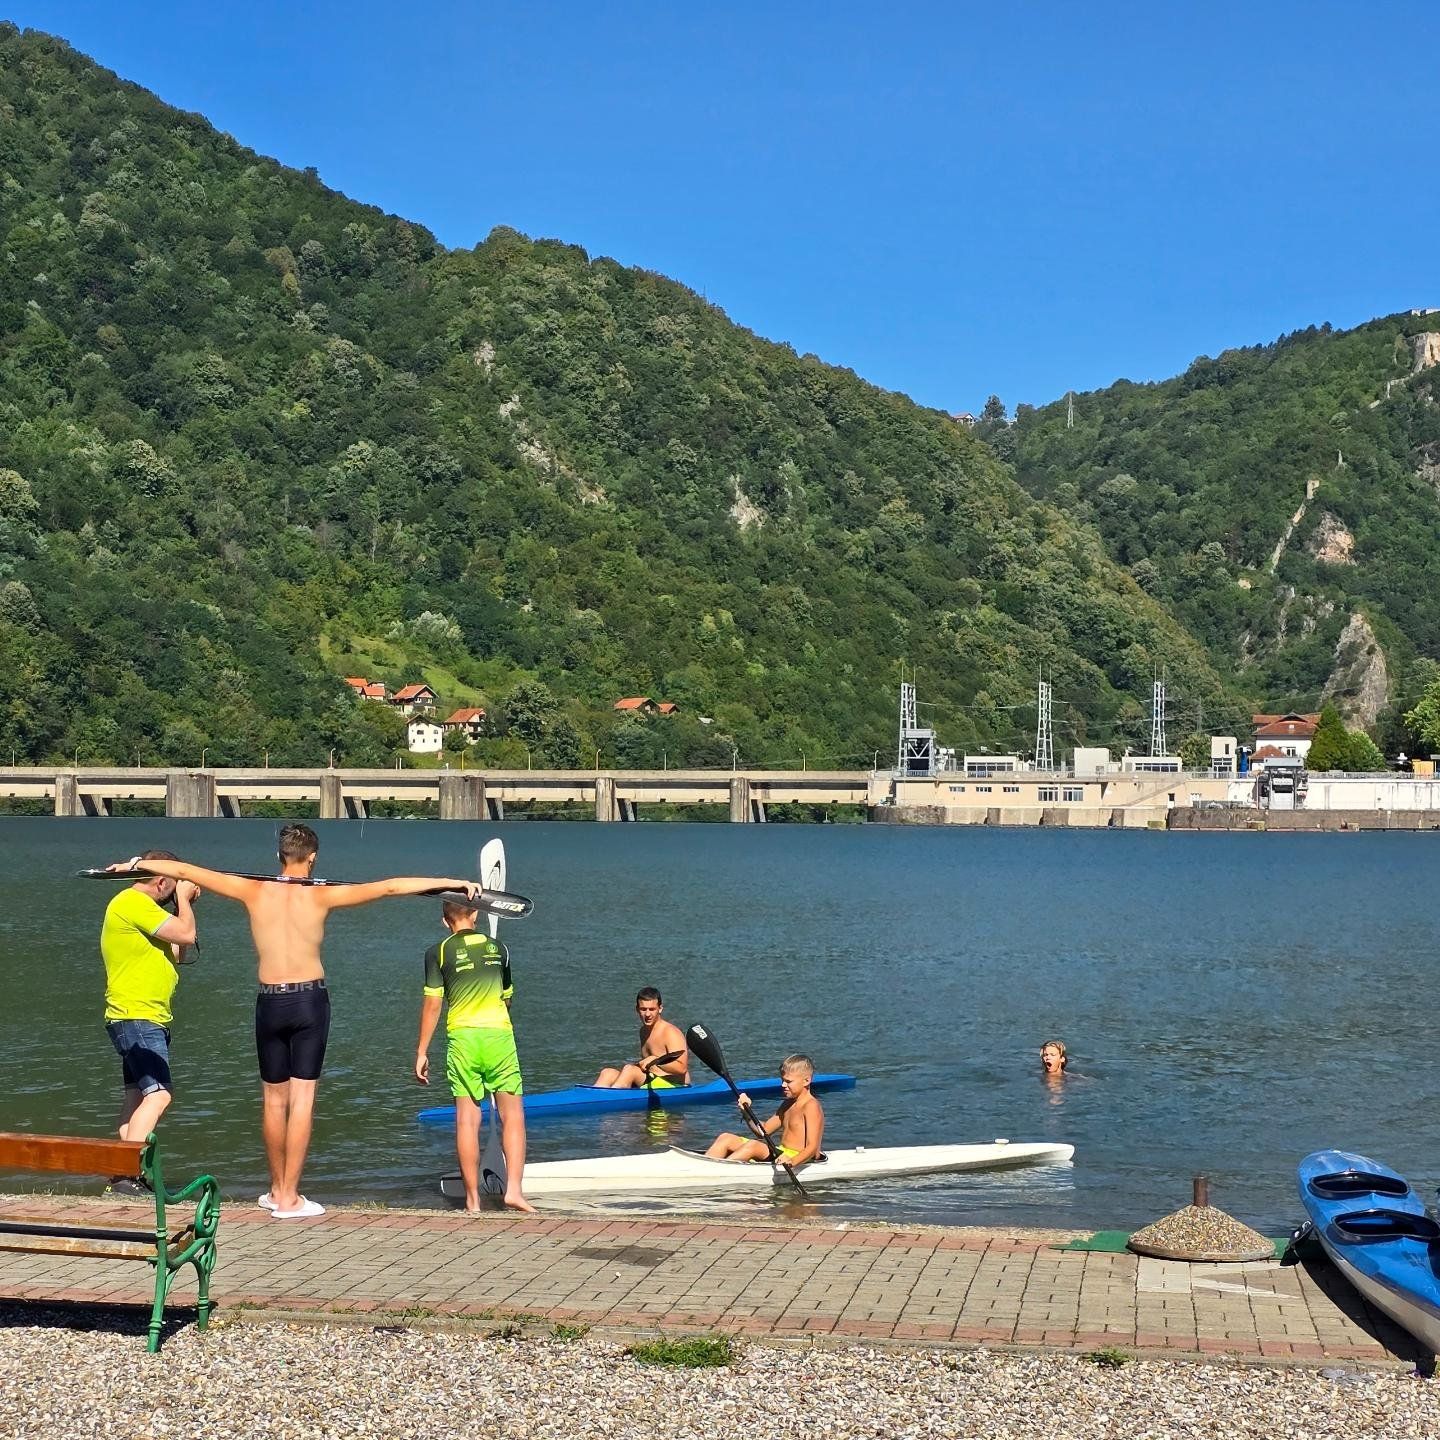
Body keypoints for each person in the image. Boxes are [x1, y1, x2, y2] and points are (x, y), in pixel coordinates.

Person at [112, 824, 481, 1221]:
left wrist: (136, 865)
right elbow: (391, 886)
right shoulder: (321, 895)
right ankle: (288, 1197)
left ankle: (275, 1191)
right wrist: (453, 882)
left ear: (278, 857)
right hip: (309, 1000)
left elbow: (187, 870)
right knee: (302, 1099)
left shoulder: (252, 890)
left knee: (273, 1099)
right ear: (313, 858)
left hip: (269, 1002)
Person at [415, 898, 533, 1213]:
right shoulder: (501, 950)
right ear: (476, 913)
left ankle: (472, 1200)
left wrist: (422, 1051)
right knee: (514, 1117)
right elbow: (508, 998)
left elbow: (433, 1004)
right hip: (499, 1037)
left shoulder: (437, 953)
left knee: (467, 1121)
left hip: (463, 1040)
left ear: (445, 921)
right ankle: (515, 1192)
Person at [99, 850, 200, 1186]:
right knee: (159, 1094)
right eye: (171, 889)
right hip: (137, 1016)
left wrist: (184, 905)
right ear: (161, 882)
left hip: (139, 1017)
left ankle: (125, 1176)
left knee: (136, 1097)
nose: (173, 894)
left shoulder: (142, 910)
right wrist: (184, 899)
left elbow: (178, 951)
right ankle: (126, 1172)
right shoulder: (133, 904)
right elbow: (186, 935)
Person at [705, 1054, 824, 1167]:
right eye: (782, 1080)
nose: (783, 1085)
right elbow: (764, 1130)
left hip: (798, 1159)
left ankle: (717, 1171)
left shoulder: (811, 1106)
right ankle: (703, 1168)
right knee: (726, 1138)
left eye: (788, 1081)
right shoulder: (788, 1103)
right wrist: (746, 1112)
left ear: (806, 1081)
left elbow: (812, 1147)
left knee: (754, 1145)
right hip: (782, 1153)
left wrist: (792, 1162)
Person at [592, 987, 689, 1089]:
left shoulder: (670, 1032)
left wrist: (655, 1061)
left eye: (652, 1009)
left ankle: (611, 1100)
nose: (647, 1014)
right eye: (643, 1009)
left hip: (676, 1086)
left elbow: (681, 1068)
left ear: (660, 1009)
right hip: (653, 1080)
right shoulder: (643, 1031)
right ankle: (590, 1099)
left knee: (630, 1070)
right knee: (607, 1073)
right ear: (637, 1009)